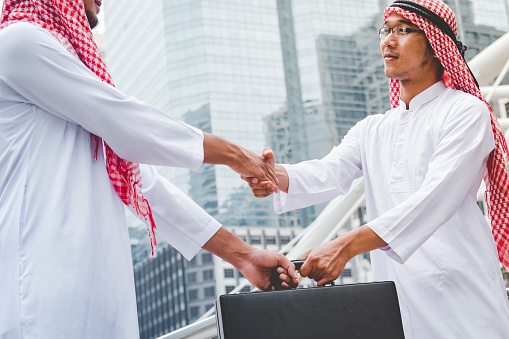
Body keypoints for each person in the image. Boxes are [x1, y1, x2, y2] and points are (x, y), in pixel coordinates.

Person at [0, 0, 298, 338]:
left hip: (104, 304)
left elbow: (146, 185)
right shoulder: (18, 43)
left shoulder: (70, 77)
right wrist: (234, 155)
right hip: (41, 304)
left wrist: (244, 257)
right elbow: (128, 123)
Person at [244, 0, 509, 338]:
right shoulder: (373, 129)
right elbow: (328, 172)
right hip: (395, 301)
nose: (388, 40)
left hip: (460, 297)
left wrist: (347, 245)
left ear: (434, 43)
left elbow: (433, 200)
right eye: (386, 30)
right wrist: (274, 176)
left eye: (403, 30)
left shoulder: (465, 112)